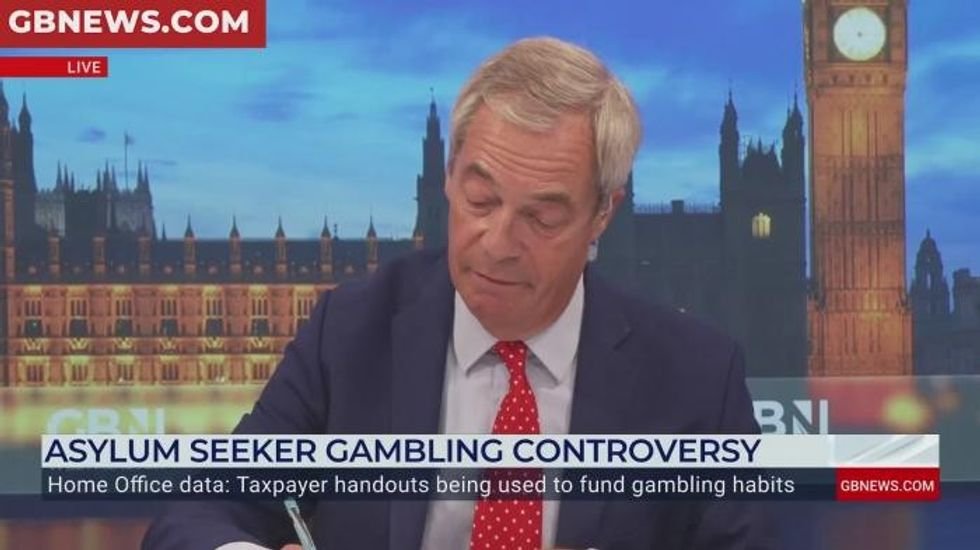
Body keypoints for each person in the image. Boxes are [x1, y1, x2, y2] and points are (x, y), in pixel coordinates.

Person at [143, 36, 774, 550]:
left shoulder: (696, 377)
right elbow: (200, 511)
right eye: (480, 200)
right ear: (446, 177)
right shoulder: (351, 331)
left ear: (602, 214)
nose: (498, 243)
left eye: (542, 217)